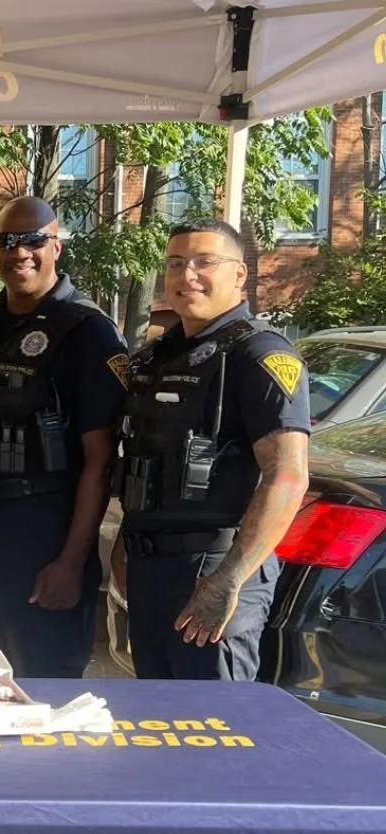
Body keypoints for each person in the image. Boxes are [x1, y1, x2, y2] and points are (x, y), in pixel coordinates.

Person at [112, 218, 310, 680]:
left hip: (215, 570)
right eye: (176, 263)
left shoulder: (258, 356)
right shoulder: (160, 357)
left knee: (216, 730)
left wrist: (229, 580)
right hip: (151, 570)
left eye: (205, 262)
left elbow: (287, 475)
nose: (187, 276)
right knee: (156, 728)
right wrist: (125, 540)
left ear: (240, 274)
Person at [0, 196, 126, 677]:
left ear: (57, 248)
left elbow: (101, 461)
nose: (20, 253)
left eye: (33, 240)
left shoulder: (87, 333)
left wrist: (72, 561)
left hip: (48, 530)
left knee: (47, 687)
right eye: (7, 242)